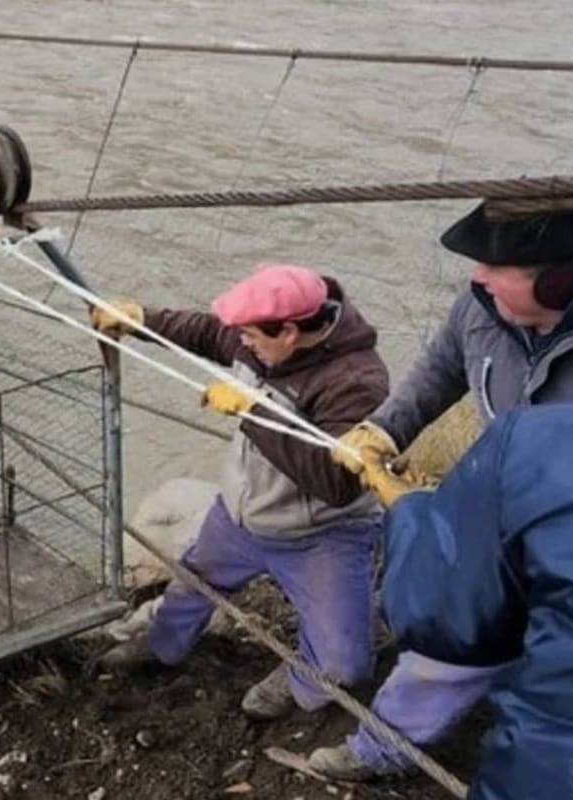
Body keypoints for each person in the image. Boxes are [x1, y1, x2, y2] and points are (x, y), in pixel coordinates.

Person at [309, 203, 573, 778]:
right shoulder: (483, 309)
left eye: (498, 264)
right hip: (502, 527)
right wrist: (382, 430)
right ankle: (384, 749)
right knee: (446, 649)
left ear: (561, 278)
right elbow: (441, 368)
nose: (477, 275)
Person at [93, 264, 389, 720]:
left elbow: (335, 484)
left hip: (322, 536)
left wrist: (254, 411)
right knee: (193, 583)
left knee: (343, 664)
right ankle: (161, 645)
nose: (241, 343)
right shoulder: (257, 343)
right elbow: (208, 332)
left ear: (288, 331)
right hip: (238, 517)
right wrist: (140, 318)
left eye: (250, 335)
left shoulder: (357, 381)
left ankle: (300, 678)